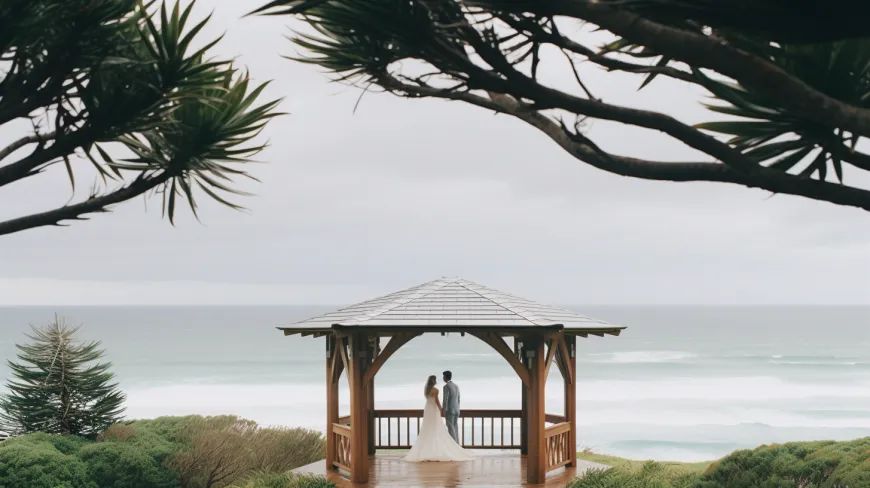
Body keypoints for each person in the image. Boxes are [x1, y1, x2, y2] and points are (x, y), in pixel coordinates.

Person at [403, 374, 474, 462]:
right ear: (434, 381)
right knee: (438, 428)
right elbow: (437, 401)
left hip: (428, 409)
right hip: (436, 409)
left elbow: (431, 399)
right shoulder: (436, 390)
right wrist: (441, 409)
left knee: (427, 428)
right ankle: (454, 446)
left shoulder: (426, 390)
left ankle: (427, 450)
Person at [441, 370, 460, 442]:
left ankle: (454, 447)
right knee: (455, 428)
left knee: (450, 428)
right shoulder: (456, 386)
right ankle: (457, 445)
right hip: (456, 410)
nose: (443, 378)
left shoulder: (446, 386)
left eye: (443, 376)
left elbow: (445, 399)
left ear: (445, 377)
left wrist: (443, 410)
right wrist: (458, 409)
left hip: (450, 410)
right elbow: (458, 399)